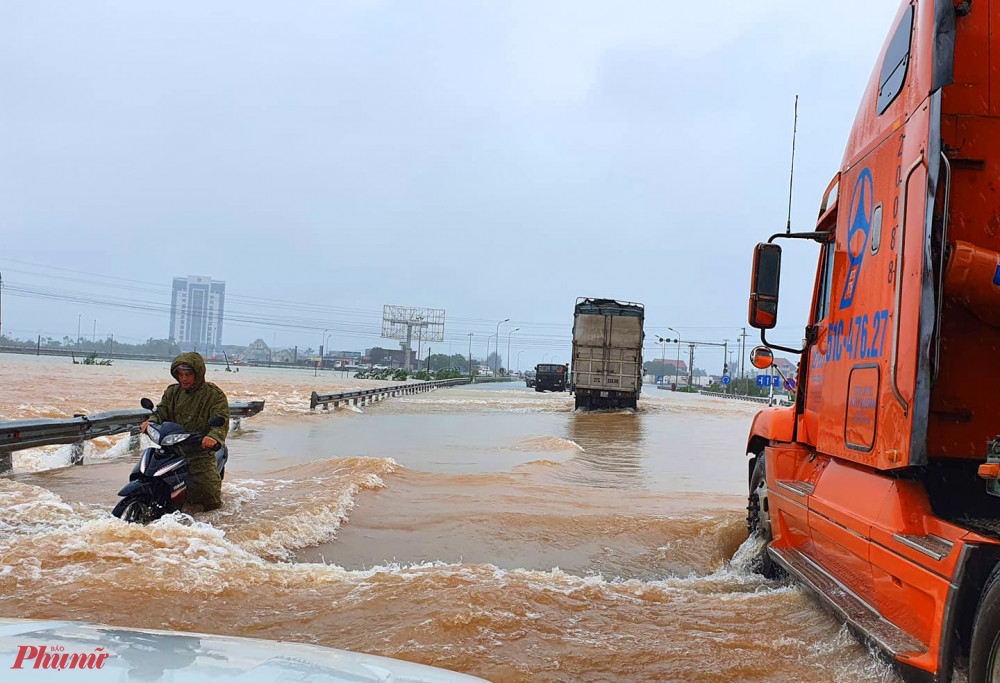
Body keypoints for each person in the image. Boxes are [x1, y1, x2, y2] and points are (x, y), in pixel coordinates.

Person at [141, 352, 229, 511]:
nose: (184, 379)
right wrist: (150, 423)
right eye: (180, 374)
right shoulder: (173, 392)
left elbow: (220, 421)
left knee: (209, 495)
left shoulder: (214, 395)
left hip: (199, 451)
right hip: (171, 447)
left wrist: (212, 438)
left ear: (198, 374)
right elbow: (161, 411)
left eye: (188, 374)